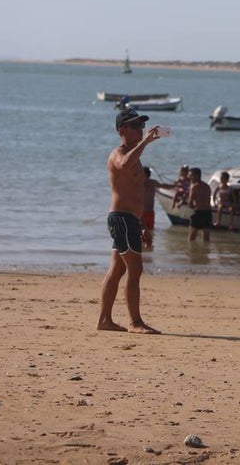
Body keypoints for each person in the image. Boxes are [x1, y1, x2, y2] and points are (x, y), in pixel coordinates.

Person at [98, 108, 165, 334]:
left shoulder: (135, 155)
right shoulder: (118, 153)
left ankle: (105, 320)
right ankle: (135, 322)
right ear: (122, 130)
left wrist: (143, 225)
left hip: (130, 220)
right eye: (135, 126)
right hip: (122, 219)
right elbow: (124, 164)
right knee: (135, 270)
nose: (140, 130)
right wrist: (145, 142)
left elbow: (136, 194)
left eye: (141, 126)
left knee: (117, 269)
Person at [140, 166, 174, 251]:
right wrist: (174, 186)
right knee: (147, 230)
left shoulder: (141, 182)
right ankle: (147, 247)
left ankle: (144, 248)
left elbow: (163, 186)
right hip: (146, 211)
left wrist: (174, 185)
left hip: (145, 212)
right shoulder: (149, 182)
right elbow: (164, 186)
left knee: (145, 230)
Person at [187, 167, 214, 242]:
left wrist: (193, 208)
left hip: (199, 212)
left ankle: (191, 249)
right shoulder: (207, 186)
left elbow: (190, 203)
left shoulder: (194, 186)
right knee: (206, 238)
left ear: (196, 176)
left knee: (191, 238)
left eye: (191, 175)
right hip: (208, 213)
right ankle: (205, 249)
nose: (189, 177)